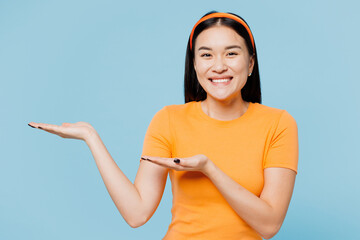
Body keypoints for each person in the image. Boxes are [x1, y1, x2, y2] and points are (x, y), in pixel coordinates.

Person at [28, 11, 298, 240]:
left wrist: (209, 169)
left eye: (231, 53)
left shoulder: (278, 124)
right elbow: (137, 214)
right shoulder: (169, 120)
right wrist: (91, 137)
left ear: (250, 63)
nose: (218, 66)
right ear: (194, 65)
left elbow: (269, 224)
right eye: (206, 55)